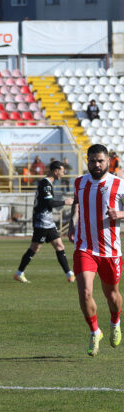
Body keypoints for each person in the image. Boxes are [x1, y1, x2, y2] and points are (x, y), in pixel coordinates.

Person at [68, 144, 124, 356]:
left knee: (112, 294)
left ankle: (115, 322)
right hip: (85, 247)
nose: (96, 164)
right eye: (92, 161)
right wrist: (72, 224)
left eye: (100, 160)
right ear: (87, 161)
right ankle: (94, 331)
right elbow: (76, 204)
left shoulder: (119, 184)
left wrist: (119, 215)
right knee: (85, 292)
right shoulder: (79, 182)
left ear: (108, 161)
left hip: (111, 251)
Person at [13, 161, 75, 283]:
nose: (63, 173)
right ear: (56, 171)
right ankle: (19, 273)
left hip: (48, 221)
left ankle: (70, 275)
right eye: (62, 171)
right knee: (35, 248)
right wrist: (65, 202)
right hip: (42, 222)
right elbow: (49, 203)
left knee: (59, 246)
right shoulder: (45, 184)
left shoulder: (48, 183)